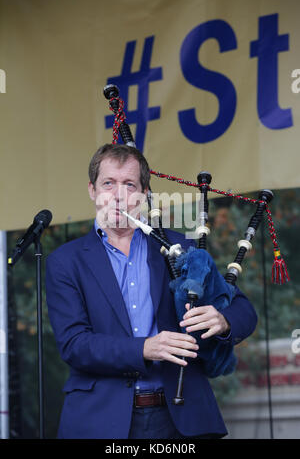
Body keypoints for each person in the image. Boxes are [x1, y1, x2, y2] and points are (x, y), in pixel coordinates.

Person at [45, 143, 257, 439]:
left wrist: (222, 320)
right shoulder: (65, 262)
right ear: (93, 190)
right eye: (109, 183)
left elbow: (244, 311)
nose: (119, 194)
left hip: (183, 417)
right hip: (100, 421)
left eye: (129, 184)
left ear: (144, 194)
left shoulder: (181, 247)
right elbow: (74, 344)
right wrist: (144, 348)